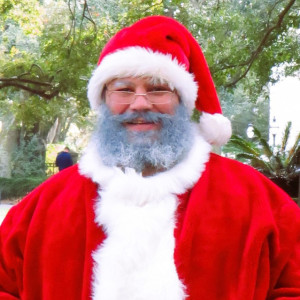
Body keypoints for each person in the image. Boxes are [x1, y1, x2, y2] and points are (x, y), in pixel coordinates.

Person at [0, 15, 300, 300]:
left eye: (158, 89)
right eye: (124, 89)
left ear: (183, 101)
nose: (140, 103)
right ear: (104, 99)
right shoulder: (40, 209)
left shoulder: (257, 200)